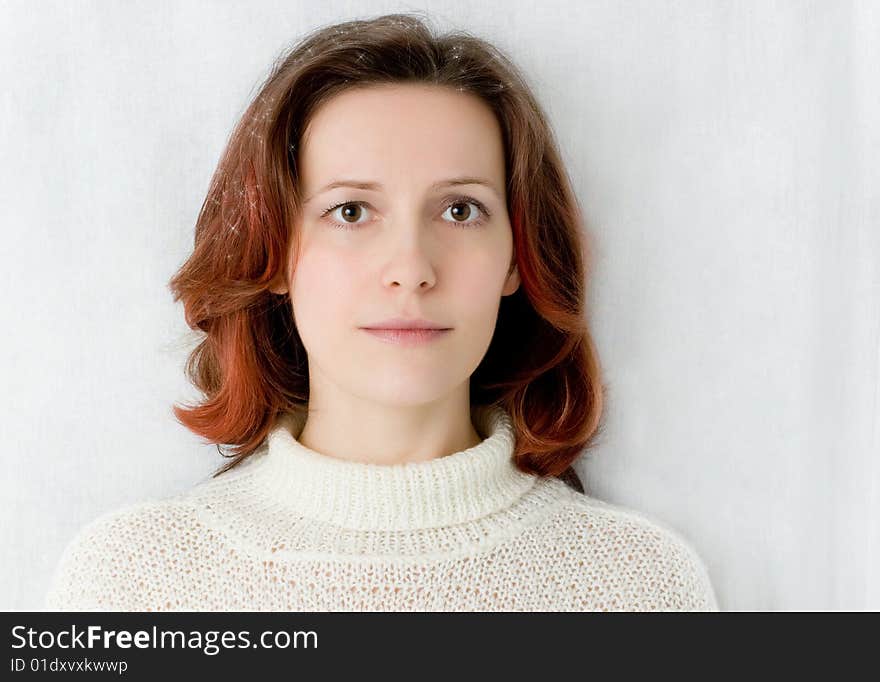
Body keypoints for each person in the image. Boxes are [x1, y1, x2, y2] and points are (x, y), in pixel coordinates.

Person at [45, 12, 718, 611]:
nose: (411, 270)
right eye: (351, 211)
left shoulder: (638, 588)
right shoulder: (130, 584)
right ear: (276, 252)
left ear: (517, 257)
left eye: (460, 209)